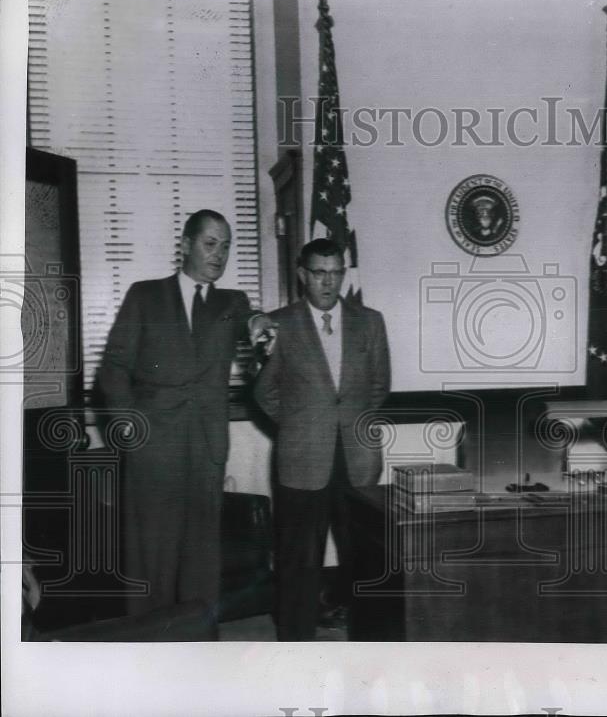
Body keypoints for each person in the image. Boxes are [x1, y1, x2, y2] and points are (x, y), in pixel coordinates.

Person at [97, 209, 273, 626]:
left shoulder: (232, 303)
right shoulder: (145, 295)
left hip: (206, 450)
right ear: (186, 245)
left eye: (227, 246)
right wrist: (126, 423)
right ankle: (148, 659)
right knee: (151, 564)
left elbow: (251, 321)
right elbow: (113, 367)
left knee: (201, 565)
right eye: (211, 244)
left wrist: (261, 323)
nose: (220, 254)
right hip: (153, 448)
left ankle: (200, 655)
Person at [254, 237, 390, 641]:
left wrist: (344, 421)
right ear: (302, 276)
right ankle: (294, 650)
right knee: (299, 562)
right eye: (319, 273)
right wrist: (301, 423)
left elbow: (380, 386)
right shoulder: (280, 324)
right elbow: (264, 393)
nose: (328, 282)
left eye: (335, 272)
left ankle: (370, 651)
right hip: (302, 460)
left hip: (358, 459)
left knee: (364, 559)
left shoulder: (370, 321)